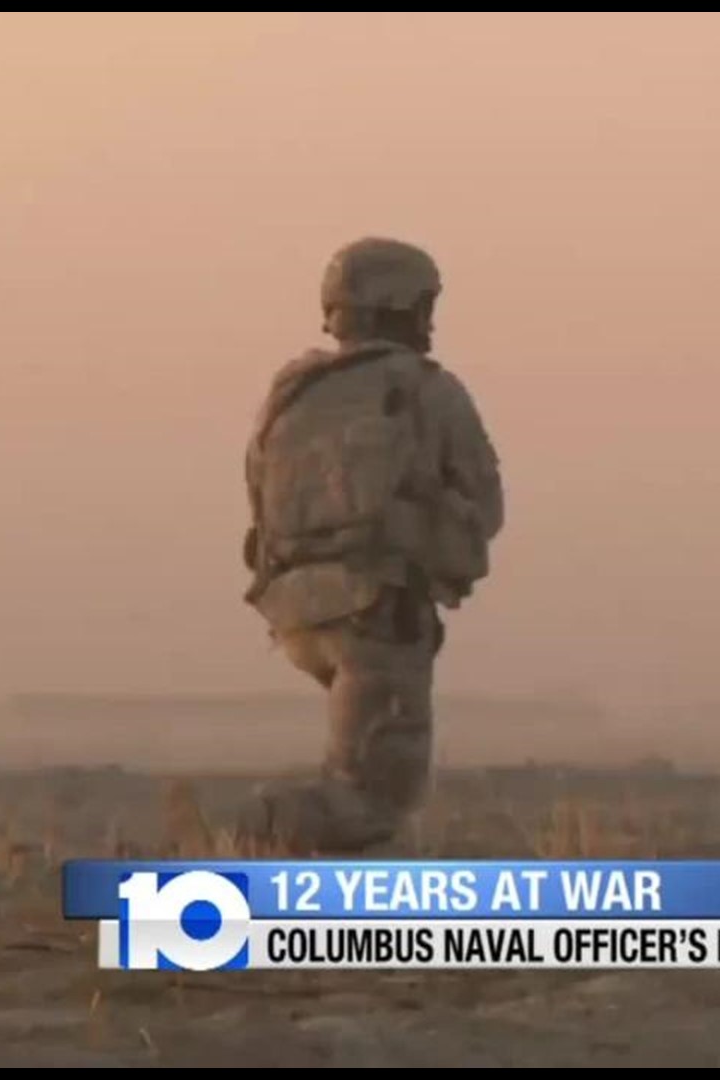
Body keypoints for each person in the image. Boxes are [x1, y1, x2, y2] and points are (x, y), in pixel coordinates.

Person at [231, 236, 505, 854]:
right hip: (378, 612)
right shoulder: (422, 388)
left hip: (297, 612)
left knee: (370, 798)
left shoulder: (295, 391)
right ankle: (268, 828)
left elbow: (256, 493)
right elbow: (483, 501)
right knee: (374, 799)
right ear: (402, 306)